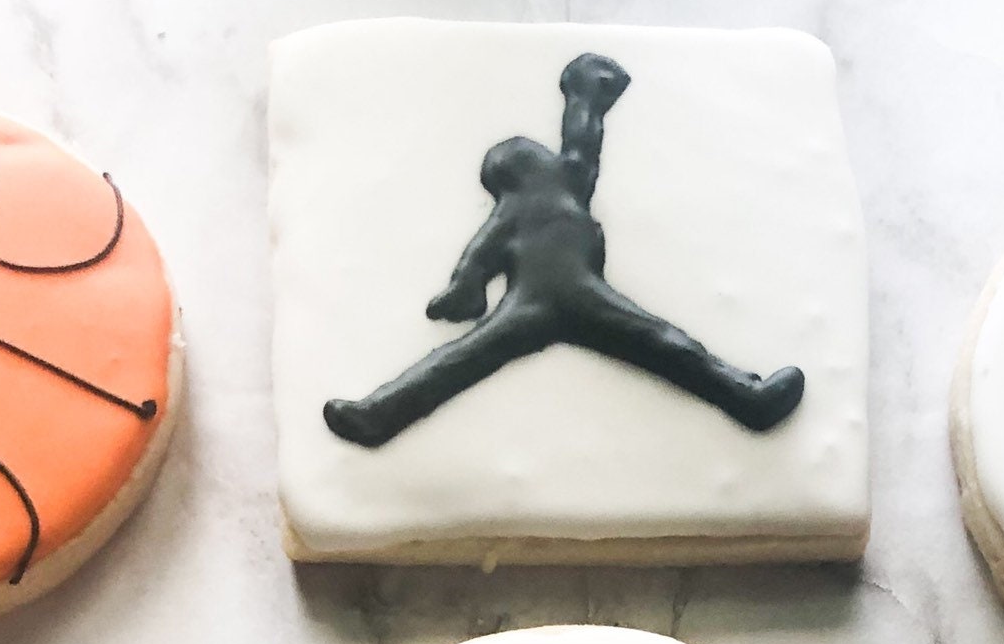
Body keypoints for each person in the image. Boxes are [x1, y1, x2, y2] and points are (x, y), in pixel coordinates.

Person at [323, 54, 806, 448]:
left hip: (548, 300)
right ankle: (748, 398)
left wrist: (585, 93)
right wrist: (584, 94)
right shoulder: (537, 199)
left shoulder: (547, 195)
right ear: (523, 168)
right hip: (561, 297)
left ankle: (379, 416)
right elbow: (578, 144)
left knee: (462, 360)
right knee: (666, 345)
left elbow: (579, 143)